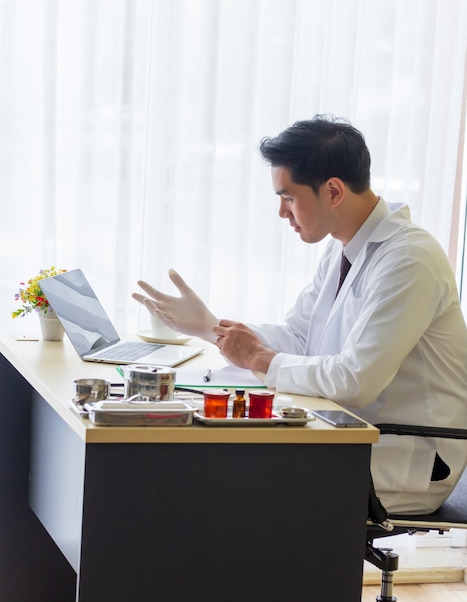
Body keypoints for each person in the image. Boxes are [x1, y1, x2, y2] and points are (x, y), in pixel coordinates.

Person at [133, 115, 467, 515]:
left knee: (221, 476)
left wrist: (259, 358)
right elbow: (299, 337)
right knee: (209, 460)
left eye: (288, 197)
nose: (281, 212)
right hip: (347, 434)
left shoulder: (409, 259)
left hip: (405, 456)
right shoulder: (344, 246)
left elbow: (355, 381)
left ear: (333, 191)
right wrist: (211, 327)